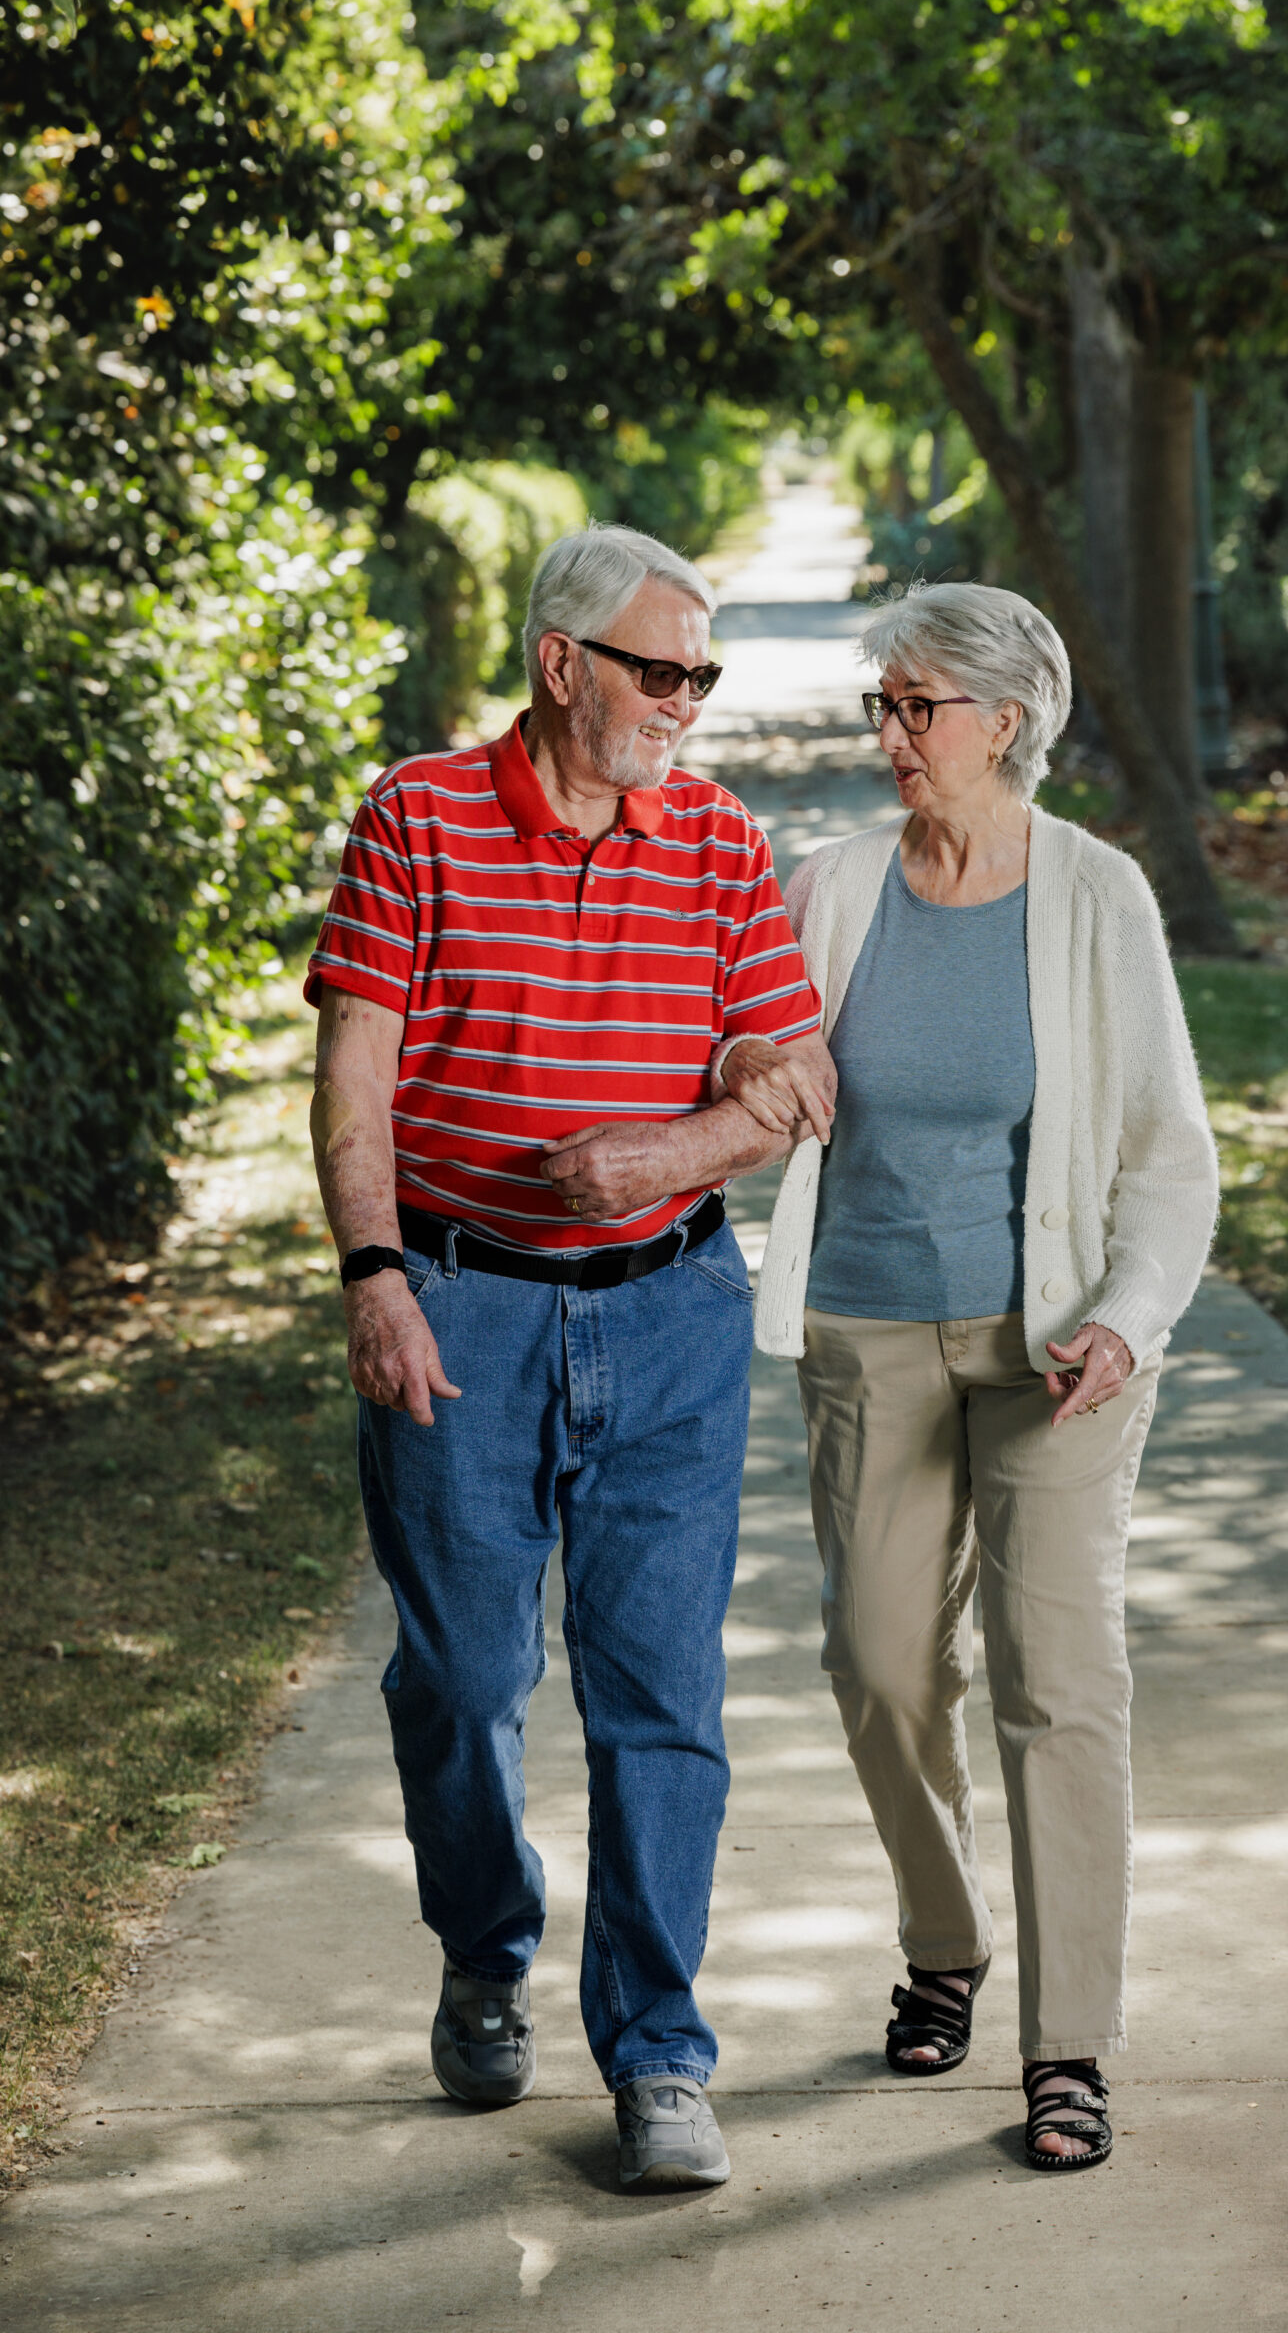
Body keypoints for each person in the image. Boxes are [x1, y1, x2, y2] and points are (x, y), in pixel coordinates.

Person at [307, 523, 834, 2192]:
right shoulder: (421, 816)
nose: (688, 702)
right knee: (462, 1681)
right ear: (562, 663)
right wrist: (375, 1278)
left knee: (662, 1699)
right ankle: (483, 1939)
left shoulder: (720, 844)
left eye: (704, 676)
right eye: (661, 670)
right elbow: (354, 1080)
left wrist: (660, 1163)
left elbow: (795, 1082)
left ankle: (662, 2054)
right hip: (460, 1306)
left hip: (668, 1312)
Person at [716, 585, 1218, 2173]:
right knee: (876, 1669)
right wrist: (743, 1067)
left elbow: (1171, 1155)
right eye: (883, 703)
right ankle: (947, 1935)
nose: (887, 733)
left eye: (913, 706)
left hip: (1057, 1352)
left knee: (1058, 1685)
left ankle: (1067, 2045)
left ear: (1007, 720)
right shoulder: (833, 887)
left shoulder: (1098, 896)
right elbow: (741, 1052)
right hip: (869, 1328)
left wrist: (1129, 1316)